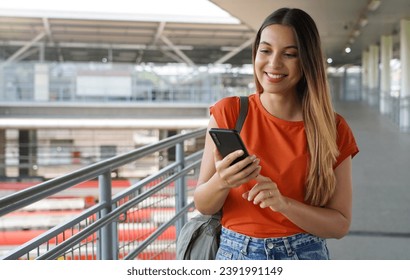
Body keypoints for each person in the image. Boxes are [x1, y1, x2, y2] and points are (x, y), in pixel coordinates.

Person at [193, 7, 359, 260]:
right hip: (236, 254)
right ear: (255, 53)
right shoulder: (229, 112)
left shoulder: (333, 128)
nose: (274, 64)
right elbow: (203, 205)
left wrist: (284, 204)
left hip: (306, 254)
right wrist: (223, 181)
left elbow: (340, 224)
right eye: (266, 50)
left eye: (290, 54)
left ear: (307, 61)